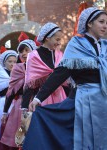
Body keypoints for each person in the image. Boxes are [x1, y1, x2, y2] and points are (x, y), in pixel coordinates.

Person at [25, 7, 107, 150]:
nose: (105, 26)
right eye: (101, 22)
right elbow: (60, 72)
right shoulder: (76, 44)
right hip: (85, 101)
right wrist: (38, 98)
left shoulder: (105, 46)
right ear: (89, 23)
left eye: (106, 22)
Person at [0, 39, 37, 150]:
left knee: (34, 136)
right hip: (20, 107)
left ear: (33, 51)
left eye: (26, 50)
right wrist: (5, 112)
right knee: (20, 136)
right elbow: (11, 92)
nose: (23, 53)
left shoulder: (40, 67)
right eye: (21, 52)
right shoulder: (17, 69)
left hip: (37, 105)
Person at [21, 22, 68, 110]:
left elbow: (65, 81)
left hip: (61, 97)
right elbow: (29, 84)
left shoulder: (60, 55)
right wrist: (24, 107)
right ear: (47, 38)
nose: (59, 43)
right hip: (41, 98)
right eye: (57, 39)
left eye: (60, 40)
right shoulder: (33, 56)